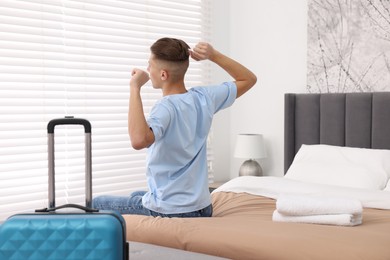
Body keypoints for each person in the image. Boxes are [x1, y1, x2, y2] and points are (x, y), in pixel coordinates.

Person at [92, 37, 257, 217]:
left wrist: (134, 88)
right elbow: (248, 79)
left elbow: (139, 140)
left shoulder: (165, 107)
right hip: (202, 206)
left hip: (173, 210)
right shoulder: (204, 97)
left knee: (94, 203)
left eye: (150, 65)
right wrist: (213, 55)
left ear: (163, 75)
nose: (147, 69)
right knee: (135, 195)